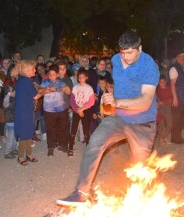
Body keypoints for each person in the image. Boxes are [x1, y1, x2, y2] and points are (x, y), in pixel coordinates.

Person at [56, 31, 159, 206]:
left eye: (130, 52)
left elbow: (146, 101)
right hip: (119, 118)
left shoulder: (149, 66)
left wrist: (117, 100)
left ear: (140, 48)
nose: (125, 57)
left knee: (139, 171)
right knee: (94, 143)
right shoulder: (116, 60)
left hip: (143, 124)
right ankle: (82, 192)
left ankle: (142, 204)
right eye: (122, 52)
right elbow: (116, 80)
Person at [13, 60, 50, 165]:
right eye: (33, 69)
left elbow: (33, 93)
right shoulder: (25, 80)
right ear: (26, 70)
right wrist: (45, 92)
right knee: (25, 133)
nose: (35, 70)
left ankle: (29, 154)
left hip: (25, 109)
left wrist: (43, 90)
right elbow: (35, 96)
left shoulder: (24, 79)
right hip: (24, 111)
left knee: (29, 132)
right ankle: (21, 157)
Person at [41, 65, 71, 156]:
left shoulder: (61, 82)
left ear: (57, 74)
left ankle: (63, 145)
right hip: (49, 110)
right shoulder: (45, 82)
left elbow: (69, 92)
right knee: (50, 129)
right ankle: (51, 146)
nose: (51, 77)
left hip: (61, 109)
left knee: (62, 128)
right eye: (49, 74)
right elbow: (39, 91)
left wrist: (65, 89)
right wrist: (45, 90)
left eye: (53, 75)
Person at [69, 67, 95, 155]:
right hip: (76, 110)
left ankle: (88, 148)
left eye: (83, 77)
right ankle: (71, 147)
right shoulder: (75, 87)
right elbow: (72, 100)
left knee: (86, 129)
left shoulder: (89, 88)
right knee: (74, 129)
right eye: (79, 77)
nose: (81, 79)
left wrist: (82, 109)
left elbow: (91, 101)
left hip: (85, 110)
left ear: (86, 77)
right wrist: (77, 110)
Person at [169, 49, 184, 144]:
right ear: (177, 58)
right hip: (178, 97)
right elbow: (172, 84)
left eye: (183, 57)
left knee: (182, 118)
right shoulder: (174, 68)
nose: (182, 58)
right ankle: (174, 138)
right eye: (180, 57)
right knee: (177, 119)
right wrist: (175, 98)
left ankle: (179, 137)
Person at [156, 75, 173, 145]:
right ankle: (161, 138)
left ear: (165, 81)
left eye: (163, 82)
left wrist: (164, 101)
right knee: (161, 124)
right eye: (160, 82)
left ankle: (163, 137)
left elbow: (171, 98)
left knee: (170, 124)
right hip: (160, 108)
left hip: (168, 108)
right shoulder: (157, 90)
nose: (162, 83)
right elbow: (156, 100)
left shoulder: (169, 88)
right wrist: (159, 103)